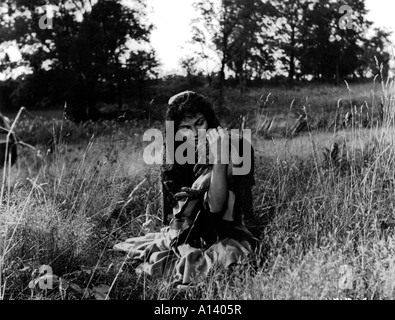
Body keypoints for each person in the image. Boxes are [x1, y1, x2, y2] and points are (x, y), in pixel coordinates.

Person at [114, 91, 256, 286]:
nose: (196, 133)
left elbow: (220, 208)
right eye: (185, 128)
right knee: (190, 259)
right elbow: (192, 216)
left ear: (210, 121)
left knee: (231, 255)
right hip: (191, 231)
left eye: (199, 123)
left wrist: (220, 160)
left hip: (228, 228)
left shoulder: (237, 144)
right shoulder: (173, 155)